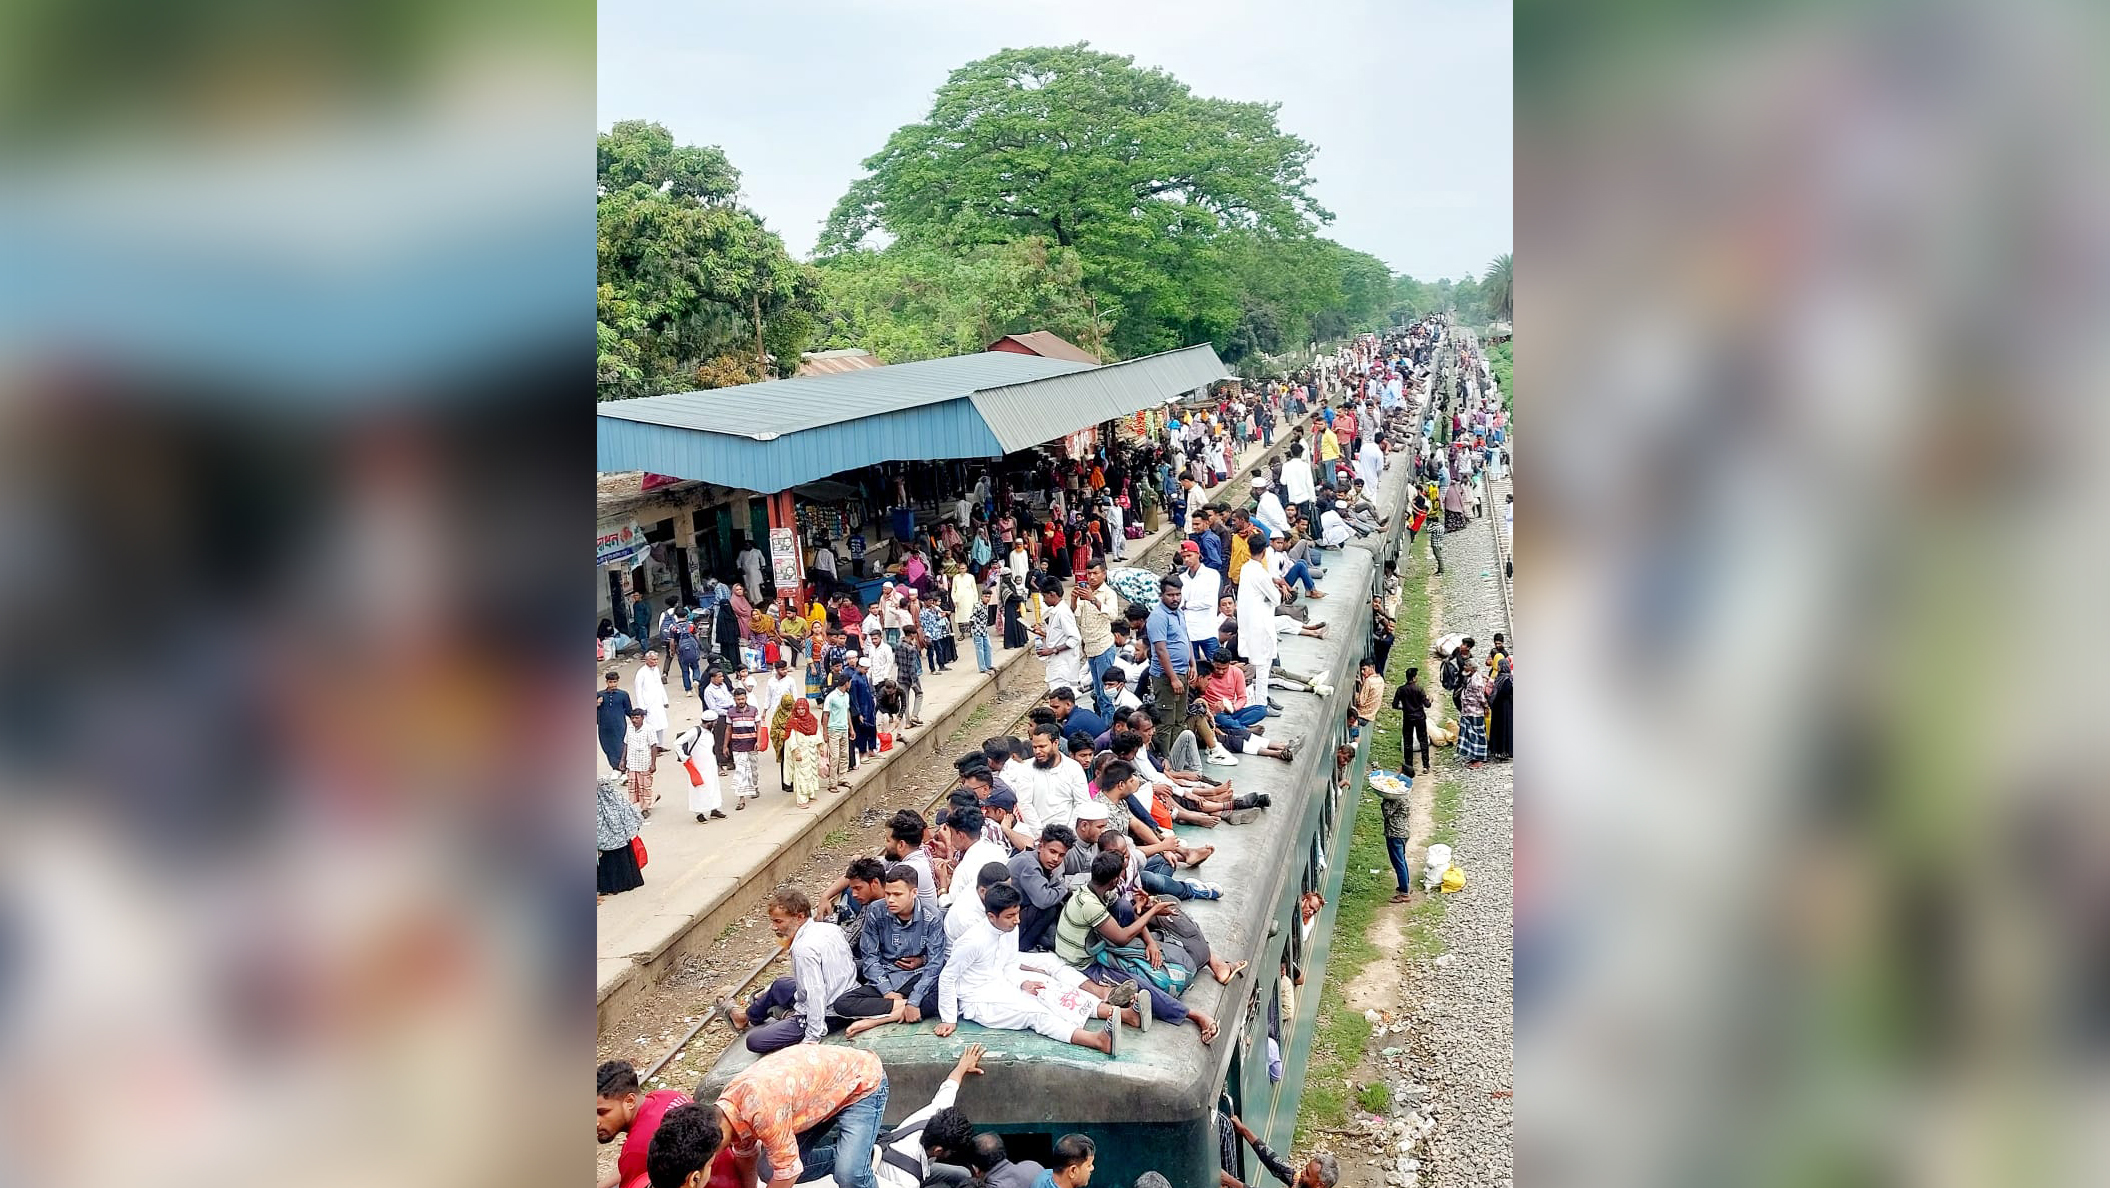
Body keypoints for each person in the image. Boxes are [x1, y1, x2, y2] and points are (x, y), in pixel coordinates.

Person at [934, 883, 1137, 1056]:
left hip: (1003, 983)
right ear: (991, 916)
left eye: (1017, 913)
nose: (1017, 920)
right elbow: (947, 977)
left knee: (1052, 988)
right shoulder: (971, 941)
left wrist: (1024, 983)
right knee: (1035, 1013)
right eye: (1010, 916)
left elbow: (1009, 964)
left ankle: (1124, 1014)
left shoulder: (1009, 929)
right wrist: (949, 1019)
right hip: (977, 999)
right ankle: (1098, 1041)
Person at [644, 1045, 889, 1188]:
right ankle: (853, 1154)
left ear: (696, 1178)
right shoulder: (723, 1117)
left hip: (860, 1085)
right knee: (768, 1170)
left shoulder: (761, 1108)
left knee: (849, 1175)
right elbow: (746, 1157)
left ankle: (854, 1163)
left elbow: (789, 1172)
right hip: (812, 1099)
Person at [1057, 851, 1219, 1043]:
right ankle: (1192, 1015)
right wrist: (1153, 912)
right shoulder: (1090, 904)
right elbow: (1122, 938)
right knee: (1138, 983)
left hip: (1097, 946)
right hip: (1084, 965)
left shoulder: (1098, 890)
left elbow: (1131, 916)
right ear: (1115, 879)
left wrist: (1146, 917)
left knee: (1125, 908)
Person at [718, 888, 858, 1053]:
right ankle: (744, 1017)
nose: (773, 927)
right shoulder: (829, 928)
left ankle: (788, 1016)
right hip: (846, 998)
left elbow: (816, 993)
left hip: (829, 1014)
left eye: (778, 921)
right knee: (780, 985)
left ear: (799, 917)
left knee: (755, 1041)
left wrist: (812, 1036)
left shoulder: (803, 949)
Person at [835, 863, 951, 1037]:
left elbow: (934, 964)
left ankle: (894, 1011)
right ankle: (905, 1007)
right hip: (887, 977)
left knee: (944, 986)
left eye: (897, 894)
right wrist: (888, 992)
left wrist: (915, 997)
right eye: (888, 893)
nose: (890, 900)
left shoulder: (932, 916)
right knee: (842, 1004)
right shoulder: (876, 910)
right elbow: (870, 957)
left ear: (914, 893)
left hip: (917, 977)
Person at [598, 1060, 698, 1188]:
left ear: (630, 1101)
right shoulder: (666, 1095)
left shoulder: (637, 1148)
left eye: (602, 1112)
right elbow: (637, 1163)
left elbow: (637, 1158)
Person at [1010, 724, 1094, 837]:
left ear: (1055, 743)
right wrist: (1041, 834)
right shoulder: (1026, 769)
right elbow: (1025, 804)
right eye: (1035, 747)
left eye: (1042, 746)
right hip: (1039, 836)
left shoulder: (1073, 768)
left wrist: (1068, 833)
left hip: (1071, 834)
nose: (1037, 751)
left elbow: (1082, 803)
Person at [1145, 573, 1194, 761]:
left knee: (1179, 719)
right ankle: (1165, 760)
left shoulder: (1179, 613)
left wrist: (1193, 664)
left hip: (1183, 672)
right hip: (1166, 677)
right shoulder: (1157, 617)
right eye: (1171, 595)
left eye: (1178, 594)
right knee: (1166, 720)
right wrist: (1173, 678)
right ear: (1162, 596)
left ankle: (1177, 756)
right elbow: (1161, 650)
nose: (1175, 599)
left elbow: (1185, 638)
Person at [1007, 823, 1077, 952]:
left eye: (1061, 855)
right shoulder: (1029, 864)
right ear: (1040, 847)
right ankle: (1024, 947)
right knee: (1049, 908)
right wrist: (1064, 888)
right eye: (1052, 852)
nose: (1056, 859)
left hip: (1020, 911)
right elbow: (1043, 900)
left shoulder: (1043, 862)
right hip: (1007, 921)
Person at [1221, 1116, 1339, 1188]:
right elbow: (1276, 1164)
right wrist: (1243, 1130)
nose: (1302, 1172)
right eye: (1305, 1169)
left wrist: (1231, 1181)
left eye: (1308, 1173)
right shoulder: (1302, 1183)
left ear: (1319, 1185)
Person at [597, 776, 646, 900]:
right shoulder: (616, 798)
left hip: (605, 844)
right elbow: (632, 814)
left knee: (608, 863)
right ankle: (628, 882)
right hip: (621, 841)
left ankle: (611, 886)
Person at [1036, 579, 1087, 694]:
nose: (1043, 600)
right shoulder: (1056, 611)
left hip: (1063, 668)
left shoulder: (1063, 612)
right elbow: (1059, 635)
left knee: (1060, 699)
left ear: (1052, 594)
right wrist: (1043, 634)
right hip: (1058, 665)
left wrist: (1052, 650)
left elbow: (1075, 638)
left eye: (1044, 596)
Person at [674, 716, 726, 821]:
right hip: (697, 766)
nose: (716, 724)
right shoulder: (695, 731)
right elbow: (677, 743)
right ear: (709, 722)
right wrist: (684, 757)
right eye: (714, 722)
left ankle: (714, 810)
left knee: (712, 786)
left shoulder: (709, 732)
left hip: (710, 765)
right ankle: (699, 813)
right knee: (698, 788)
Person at [783, 697, 824, 808]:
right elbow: (791, 739)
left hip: (811, 752)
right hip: (801, 753)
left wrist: (820, 746)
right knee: (801, 776)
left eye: (803, 708)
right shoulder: (793, 722)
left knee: (811, 773)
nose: (801, 711)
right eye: (799, 709)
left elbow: (817, 733)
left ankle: (810, 794)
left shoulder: (812, 719)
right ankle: (801, 799)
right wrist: (796, 752)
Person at [726, 685, 763, 809]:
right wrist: (725, 746)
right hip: (737, 745)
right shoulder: (731, 712)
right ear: (734, 700)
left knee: (753, 769)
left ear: (746, 698)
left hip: (751, 744)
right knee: (740, 771)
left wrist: (758, 741)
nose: (740, 702)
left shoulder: (753, 710)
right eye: (738, 699)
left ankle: (754, 787)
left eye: (742, 699)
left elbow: (758, 726)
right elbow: (728, 729)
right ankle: (741, 799)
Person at [1391, 668, 1433, 776]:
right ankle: (1426, 766)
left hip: (1408, 718)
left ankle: (1409, 766)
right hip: (1419, 718)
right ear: (1414, 677)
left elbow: (1395, 705)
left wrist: (1404, 708)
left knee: (1407, 742)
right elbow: (1427, 705)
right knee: (1423, 740)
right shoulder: (1419, 689)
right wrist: (1430, 700)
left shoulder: (1401, 690)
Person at [633, 651, 670, 761]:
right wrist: (642, 707)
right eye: (653, 660)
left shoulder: (656, 670)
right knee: (651, 726)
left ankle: (659, 746)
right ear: (647, 660)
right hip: (648, 704)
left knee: (661, 724)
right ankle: (652, 747)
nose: (655, 662)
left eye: (656, 659)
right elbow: (638, 690)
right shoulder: (641, 673)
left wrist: (665, 699)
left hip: (658, 701)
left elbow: (660, 685)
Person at [622, 707, 658, 816]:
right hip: (632, 763)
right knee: (633, 786)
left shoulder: (649, 729)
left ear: (642, 718)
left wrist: (653, 763)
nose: (634, 720)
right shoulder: (629, 729)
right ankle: (633, 806)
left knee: (645, 786)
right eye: (632, 718)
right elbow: (626, 744)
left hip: (644, 762)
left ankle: (645, 808)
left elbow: (653, 746)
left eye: (637, 718)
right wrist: (622, 760)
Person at [1457, 656, 1491, 767]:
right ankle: (1474, 756)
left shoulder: (1476, 681)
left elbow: (1480, 697)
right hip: (1468, 711)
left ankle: (1480, 758)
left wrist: (1486, 707)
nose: (1464, 667)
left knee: (1478, 735)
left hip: (1475, 712)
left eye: (1466, 666)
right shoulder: (1472, 677)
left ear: (1471, 668)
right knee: (1470, 734)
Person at [598, 670, 634, 773]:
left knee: (620, 747)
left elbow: (629, 710)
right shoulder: (600, 695)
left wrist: (636, 720)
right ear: (606, 682)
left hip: (619, 726)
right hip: (604, 727)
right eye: (610, 682)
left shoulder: (623, 695)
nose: (612, 684)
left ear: (618, 681)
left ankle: (623, 768)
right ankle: (615, 768)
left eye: (615, 682)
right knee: (607, 747)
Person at [823, 673, 854, 791]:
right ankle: (832, 783)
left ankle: (842, 778)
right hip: (833, 730)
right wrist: (825, 732)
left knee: (844, 755)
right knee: (834, 757)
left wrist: (851, 728)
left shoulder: (846, 696)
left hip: (844, 729)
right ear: (846, 683)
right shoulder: (831, 697)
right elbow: (825, 715)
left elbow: (847, 712)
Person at [1487, 657, 1514, 761]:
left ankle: (1504, 751)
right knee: (1501, 727)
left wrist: (1494, 697)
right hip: (1502, 707)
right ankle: (1500, 750)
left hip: (1504, 707)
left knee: (1503, 727)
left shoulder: (1506, 679)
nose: (1497, 667)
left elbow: (1504, 692)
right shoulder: (1503, 678)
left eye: (1499, 665)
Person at [1351, 658, 1385, 724]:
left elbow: (1361, 701)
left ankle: (1353, 732)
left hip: (1361, 714)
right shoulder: (1381, 680)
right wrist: (1362, 684)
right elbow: (1371, 693)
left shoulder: (1368, 681)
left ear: (1372, 667)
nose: (1362, 672)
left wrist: (1354, 694)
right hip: (1370, 716)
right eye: (1361, 670)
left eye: (1364, 669)